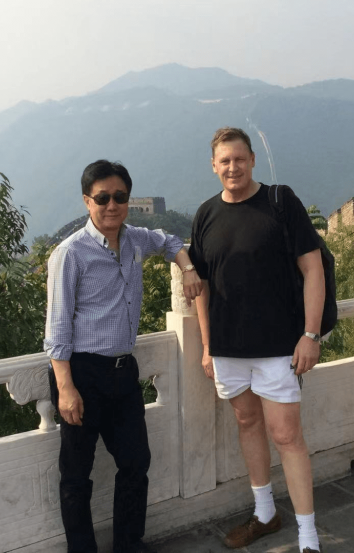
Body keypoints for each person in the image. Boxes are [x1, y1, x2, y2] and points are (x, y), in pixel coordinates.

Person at [44, 159, 202, 553]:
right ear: (87, 201)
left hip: (122, 372)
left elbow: (170, 241)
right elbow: (57, 329)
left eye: (120, 197)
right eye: (102, 198)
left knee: (135, 462)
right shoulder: (70, 253)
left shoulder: (135, 240)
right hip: (81, 372)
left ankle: (129, 545)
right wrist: (65, 388)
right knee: (76, 474)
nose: (112, 205)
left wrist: (188, 269)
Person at [189, 128, 325, 553]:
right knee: (247, 423)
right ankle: (265, 513)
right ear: (213, 166)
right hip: (228, 348)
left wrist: (310, 335)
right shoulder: (206, 214)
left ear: (252, 160)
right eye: (224, 161)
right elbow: (202, 287)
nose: (233, 167)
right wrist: (208, 346)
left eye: (239, 159)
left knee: (286, 436)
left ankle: (308, 536)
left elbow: (313, 270)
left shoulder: (280, 203)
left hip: (279, 346)